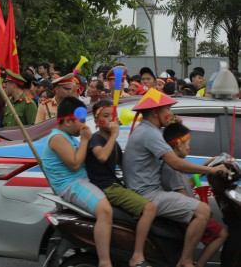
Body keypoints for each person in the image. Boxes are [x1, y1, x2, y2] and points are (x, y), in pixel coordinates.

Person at [122, 88, 229, 267]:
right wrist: (212, 171)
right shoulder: (150, 133)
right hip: (148, 194)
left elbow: (173, 139)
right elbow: (176, 163)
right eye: (168, 110)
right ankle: (186, 261)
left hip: (148, 191)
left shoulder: (148, 130)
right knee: (203, 210)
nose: (171, 113)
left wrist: (173, 123)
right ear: (156, 113)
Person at [41, 97, 113, 267]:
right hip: (71, 185)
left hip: (79, 181)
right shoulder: (58, 138)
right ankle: (105, 261)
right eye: (79, 121)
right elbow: (74, 163)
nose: (82, 125)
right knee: (105, 211)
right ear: (67, 121)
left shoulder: (67, 136)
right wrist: (85, 140)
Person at [85, 100, 157, 267]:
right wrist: (115, 135)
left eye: (113, 115)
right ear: (96, 121)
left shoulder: (112, 141)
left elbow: (126, 165)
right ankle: (137, 256)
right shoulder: (96, 139)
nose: (111, 119)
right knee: (150, 208)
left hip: (116, 184)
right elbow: (101, 156)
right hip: (106, 188)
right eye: (105, 116)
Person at [161, 123, 228, 267]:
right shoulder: (173, 169)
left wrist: (207, 166)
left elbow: (188, 184)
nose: (189, 147)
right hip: (187, 216)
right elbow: (182, 198)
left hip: (187, 212)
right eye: (188, 144)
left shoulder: (175, 165)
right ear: (179, 145)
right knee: (222, 234)